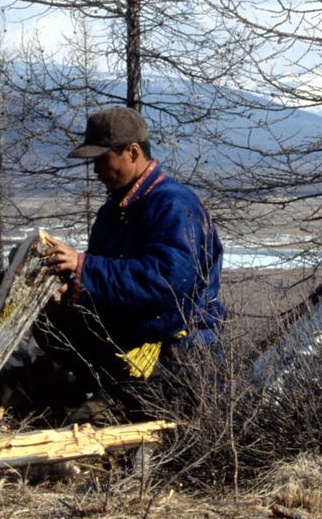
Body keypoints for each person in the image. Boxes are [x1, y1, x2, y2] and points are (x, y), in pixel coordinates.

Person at [36, 106, 225, 421]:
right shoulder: (112, 213)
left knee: (87, 424)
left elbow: (166, 283)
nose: (95, 170)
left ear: (133, 152)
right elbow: (111, 288)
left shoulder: (174, 205)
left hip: (178, 357)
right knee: (48, 315)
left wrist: (84, 267)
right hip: (130, 349)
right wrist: (70, 290)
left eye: (101, 159)